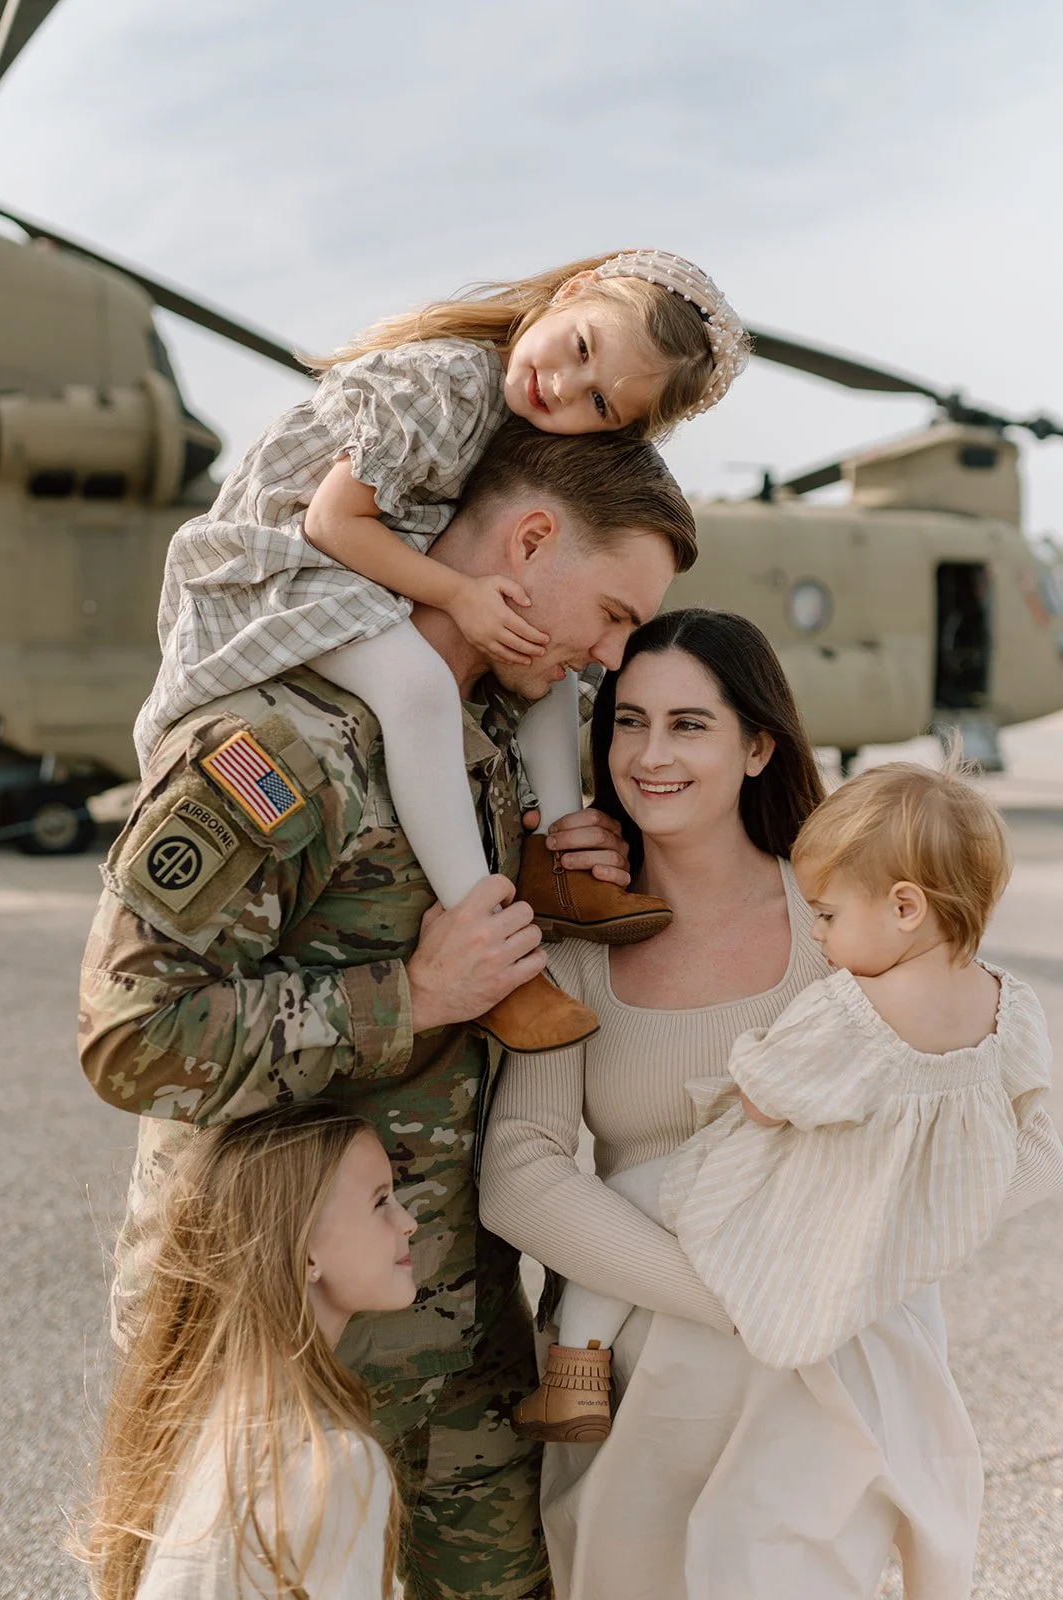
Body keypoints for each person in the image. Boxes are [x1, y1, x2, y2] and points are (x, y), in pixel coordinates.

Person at [79, 421, 698, 1600]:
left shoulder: (499, 757)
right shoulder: (275, 746)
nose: (609, 657)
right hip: (280, 1341)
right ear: (528, 542)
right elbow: (128, 1030)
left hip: (460, 1344)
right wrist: (409, 996)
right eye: (612, 613)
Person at [478, 608, 1063, 1600]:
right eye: (628, 721)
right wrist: (740, 1296)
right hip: (645, 1385)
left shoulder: (848, 915)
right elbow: (517, 1174)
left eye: (690, 725)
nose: (650, 755)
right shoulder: (578, 942)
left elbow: (975, 1101)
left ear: (759, 744)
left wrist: (855, 1272)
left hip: (831, 1367)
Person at [135, 249, 749, 1052]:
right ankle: (490, 943)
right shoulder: (447, 382)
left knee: (545, 666)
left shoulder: (520, 427)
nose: (564, 386)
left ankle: (555, 862)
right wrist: (459, 594)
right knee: (419, 685)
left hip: (364, 568)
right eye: (582, 348)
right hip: (283, 565)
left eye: (597, 400)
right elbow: (330, 525)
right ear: (570, 293)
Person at [511, 759, 1052, 1446]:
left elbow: (768, 1102)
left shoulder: (852, 1011)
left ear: (905, 907)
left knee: (632, 1202)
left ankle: (574, 1371)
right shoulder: (1010, 1006)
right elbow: (1031, 1144)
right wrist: (932, 1198)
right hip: (883, 1246)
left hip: (785, 1186)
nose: (818, 934)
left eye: (826, 915)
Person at [85, 1102, 414, 1599]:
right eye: (380, 1201)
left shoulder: (193, 1416)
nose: (407, 1221)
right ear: (305, 1250)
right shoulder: (333, 1466)